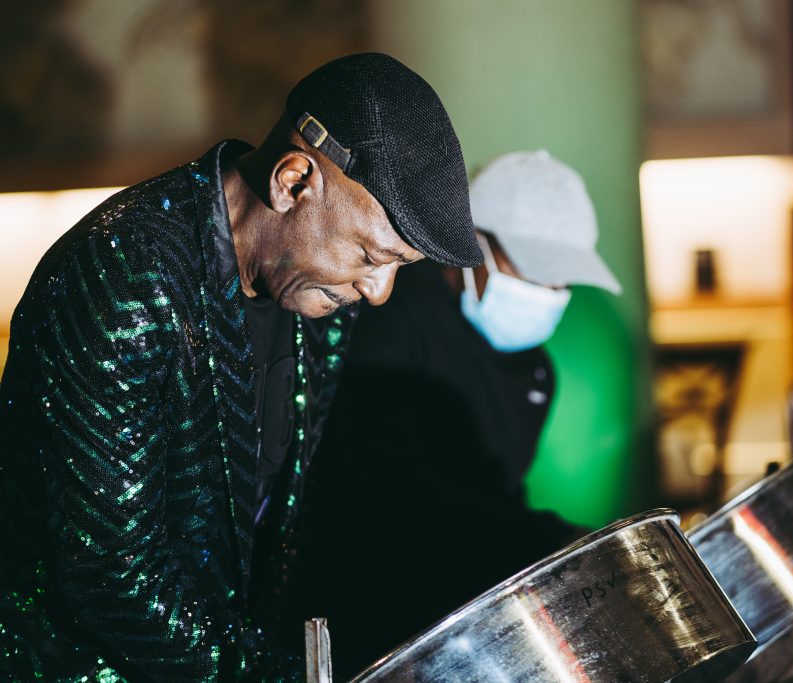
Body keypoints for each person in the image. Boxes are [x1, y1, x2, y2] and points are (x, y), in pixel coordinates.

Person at [0, 53, 482, 682]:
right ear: (292, 181)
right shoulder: (123, 273)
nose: (380, 291)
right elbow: (109, 572)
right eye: (371, 255)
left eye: (399, 267)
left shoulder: (319, 296)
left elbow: (268, 524)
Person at [295, 150, 623, 678]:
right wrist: (554, 543)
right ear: (472, 244)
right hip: (369, 632)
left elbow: (496, 496)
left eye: (563, 280)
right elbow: (389, 494)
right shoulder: (385, 322)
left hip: (468, 635)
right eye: (536, 271)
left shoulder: (533, 370)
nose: (551, 295)